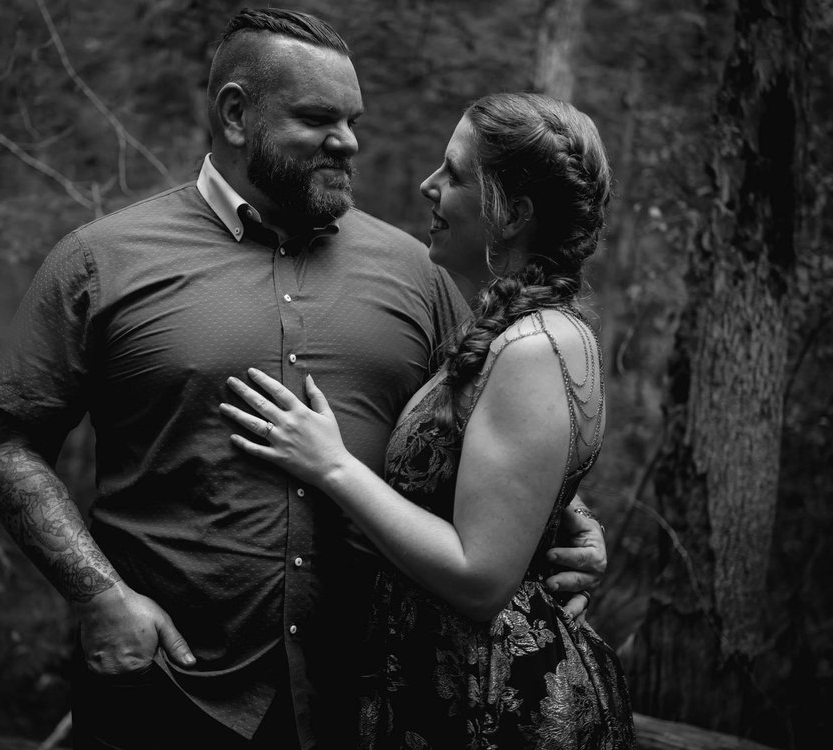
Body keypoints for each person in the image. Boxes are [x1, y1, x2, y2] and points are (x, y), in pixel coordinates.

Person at [0, 9, 609, 750]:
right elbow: (8, 438)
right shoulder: (100, 261)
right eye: (318, 119)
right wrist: (97, 594)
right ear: (236, 114)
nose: (349, 142)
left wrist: (570, 522)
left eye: (353, 119)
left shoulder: (418, 271)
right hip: (168, 692)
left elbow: (487, 425)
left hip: (369, 699)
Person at [222, 92, 636, 748]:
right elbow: (504, 479)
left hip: (499, 709)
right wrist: (571, 517)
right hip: (441, 690)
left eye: (455, 174)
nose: (428, 186)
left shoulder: (535, 348)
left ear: (514, 213)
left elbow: (480, 580)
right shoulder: (510, 327)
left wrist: (331, 466)